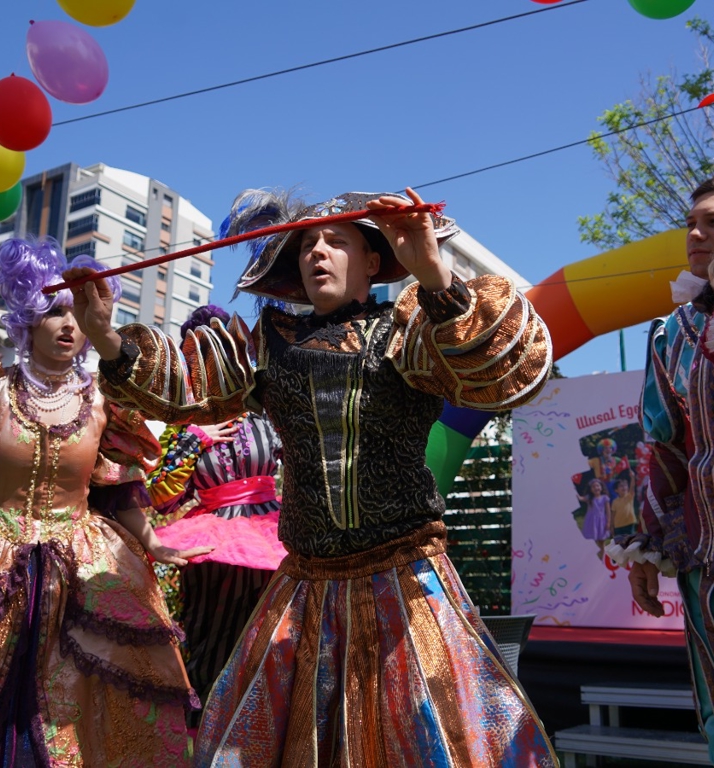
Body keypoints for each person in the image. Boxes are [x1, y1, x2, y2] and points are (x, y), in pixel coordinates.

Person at [65, 187, 557, 766]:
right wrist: (105, 336)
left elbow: (497, 374)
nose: (317, 252)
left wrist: (434, 277)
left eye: (335, 241)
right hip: (306, 587)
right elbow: (187, 391)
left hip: (403, 581)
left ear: (371, 261)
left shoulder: (410, 333)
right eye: (305, 246)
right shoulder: (269, 346)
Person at [0, 238, 208, 767]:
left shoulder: (102, 402)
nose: (69, 325)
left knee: (79, 714)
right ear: (27, 319)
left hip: (80, 566)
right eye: (55, 311)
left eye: (78, 314)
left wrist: (152, 543)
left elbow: (119, 490)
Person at [607, 177, 714, 761]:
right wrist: (646, 551)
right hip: (706, 564)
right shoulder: (673, 333)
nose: (695, 235)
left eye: (712, 223)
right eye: (691, 224)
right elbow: (664, 451)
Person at [146, 304, 285, 724]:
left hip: (272, 538)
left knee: (274, 642)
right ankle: (206, 733)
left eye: (222, 347)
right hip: (213, 550)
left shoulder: (267, 409)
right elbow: (160, 498)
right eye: (201, 353)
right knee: (211, 645)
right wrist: (194, 438)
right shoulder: (182, 424)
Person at [576, 478, 612, 560]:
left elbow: (608, 511)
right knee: (592, 541)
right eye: (593, 486)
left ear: (601, 487)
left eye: (597, 486)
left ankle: (603, 557)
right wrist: (574, 491)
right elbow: (580, 498)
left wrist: (608, 522)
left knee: (601, 541)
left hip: (601, 522)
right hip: (591, 522)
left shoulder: (605, 498)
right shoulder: (589, 498)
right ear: (591, 489)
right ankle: (592, 558)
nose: (596, 488)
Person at [611, 470, 637, 537]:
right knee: (620, 542)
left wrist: (632, 477)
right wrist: (612, 526)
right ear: (616, 490)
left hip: (629, 523)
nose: (624, 487)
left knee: (630, 540)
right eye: (621, 486)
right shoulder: (615, 501)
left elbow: (632, 487)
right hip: (618, 526)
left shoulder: (629, 496)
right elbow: (613, 515)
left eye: (625, 485)